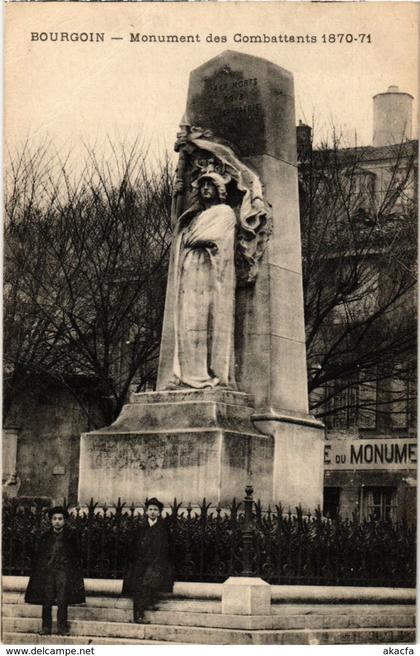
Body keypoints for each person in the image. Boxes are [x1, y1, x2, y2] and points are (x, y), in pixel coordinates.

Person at [170, 171, 237, 389]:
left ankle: (205, 373)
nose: (206, 189)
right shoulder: (195, 217)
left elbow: (208, 237)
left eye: (210, 185)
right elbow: (182, 235)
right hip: (189, 269)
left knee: (205, 320)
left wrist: (192, 239)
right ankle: (187, 373)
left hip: (210, 271)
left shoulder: (225, 213)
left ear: (220, 190)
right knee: (188, 321)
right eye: (202, 185)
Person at [24, 506, 85, 636]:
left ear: (64, 521)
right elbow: (39, 555)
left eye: (60, 519)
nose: (57, 521)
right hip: (48, 573)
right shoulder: (45, 537)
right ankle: (46, 627)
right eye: (55, 519)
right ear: (51, 521)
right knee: (47, 599)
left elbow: (77, 555)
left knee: (63, 599)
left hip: (63, 572)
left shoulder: (71, 537)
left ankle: (62, 628)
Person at [122, 497, 174, 623]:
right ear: (146, 511)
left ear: (159, 512)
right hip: (140, 564)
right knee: (138, 585)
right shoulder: (140, 527)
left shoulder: (163, 529)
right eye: (150, 509)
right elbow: (133, 547)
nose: (152, 512)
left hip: (156, 564)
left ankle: (140, 612)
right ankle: (138, 614)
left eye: (155, 510)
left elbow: (167, 549)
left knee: (148, 582)